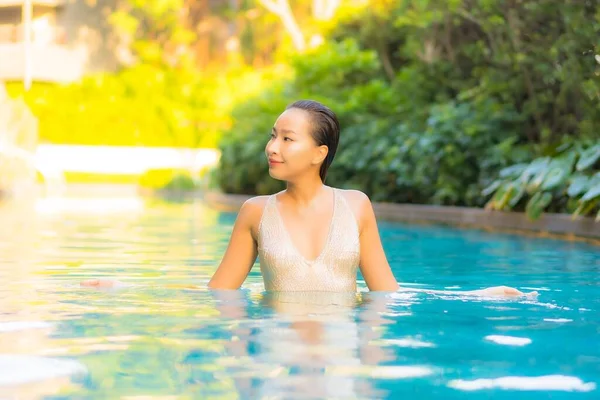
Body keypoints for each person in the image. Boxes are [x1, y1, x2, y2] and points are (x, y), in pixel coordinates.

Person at [83, 100, 533, 298]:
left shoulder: (356, 206)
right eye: (272, 136)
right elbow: (219, 295)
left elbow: (386, 295)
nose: (272, 147)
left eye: (287, 138)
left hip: (342, 356)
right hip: (277, 352)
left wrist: (475, 296)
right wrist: (129, 288)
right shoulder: (255, 212)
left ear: (320, 154)